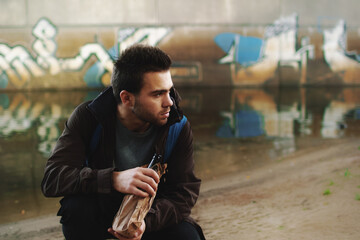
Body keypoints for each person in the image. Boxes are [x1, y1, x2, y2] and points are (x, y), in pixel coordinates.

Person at [41, 44, 204, 240]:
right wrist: (113, 179)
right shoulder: (88, 118)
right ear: (127, 98)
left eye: (169, 91)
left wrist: (144, 223)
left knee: (188, 236)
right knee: (75, 209)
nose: (169, 102)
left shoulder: (177, 125)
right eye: (157, 94)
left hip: (149, 214)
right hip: (101, 208)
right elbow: (52, 178)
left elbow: (184, 193)